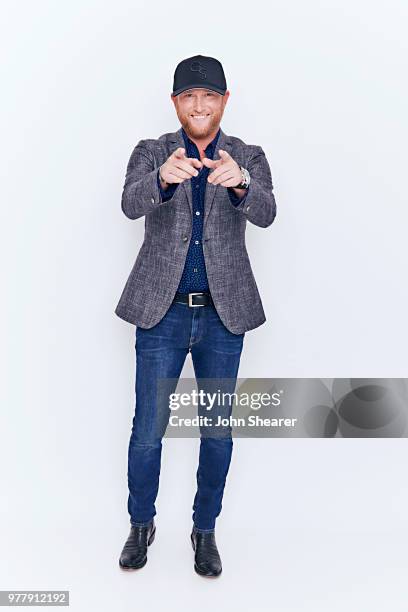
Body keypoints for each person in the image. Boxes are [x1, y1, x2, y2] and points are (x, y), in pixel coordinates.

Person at [116, 54, 277, 577]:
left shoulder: (247, 156)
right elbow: (128, 204)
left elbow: (268, 212)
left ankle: (204, 531)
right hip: (160, 315)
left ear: (225, 101)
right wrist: (162, 180)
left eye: (210, 96)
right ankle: (141, 524)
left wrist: (242, 185)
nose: (200, 105)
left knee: (217, 433)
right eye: (189, 96)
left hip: (221, 319)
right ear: (176, 103)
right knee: (148, 430)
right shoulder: (152, 152)